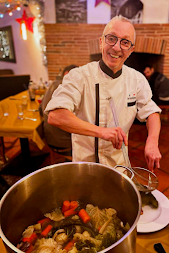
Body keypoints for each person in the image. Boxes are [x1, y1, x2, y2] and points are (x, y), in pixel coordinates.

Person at [45, 15, 162, 171]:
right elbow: (56, 115)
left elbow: (151, 112)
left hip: (119, 165)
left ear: (131, 50)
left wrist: (152, 142)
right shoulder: (78, 76)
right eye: (111, 38)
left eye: (125, 42)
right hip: (85, 166)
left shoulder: (137, 79)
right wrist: (102, 132)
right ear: (101, 42)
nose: (116, 47)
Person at [41, 65, 78, 156]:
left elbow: (40, 109)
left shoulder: (52, 85)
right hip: (66, 145)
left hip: (49, 140)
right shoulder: (69, 89)